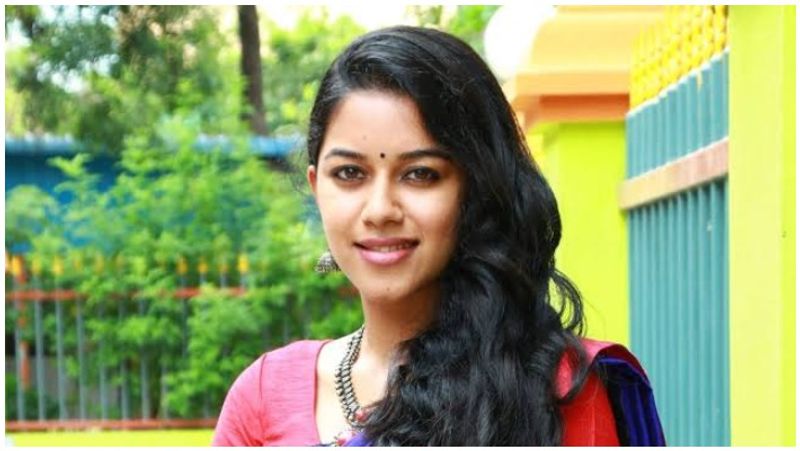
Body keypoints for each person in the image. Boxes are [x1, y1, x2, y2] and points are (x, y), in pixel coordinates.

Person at [212, 25, 664, 446]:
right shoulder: (263, 397)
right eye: (349, 173)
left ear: (477, 190)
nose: (380, 210)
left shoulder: (554, 388)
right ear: (317, 187)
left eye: (420, 174)